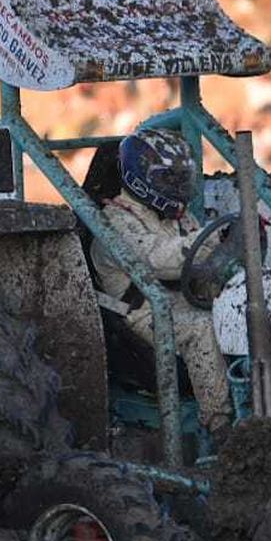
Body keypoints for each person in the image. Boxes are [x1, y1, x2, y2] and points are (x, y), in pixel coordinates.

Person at [90, 128, 232, 436]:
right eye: (169, 178)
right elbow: (160, 260)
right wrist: (218, 239)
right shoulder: (114, 221)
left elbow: (202, 251)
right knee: (202, 328)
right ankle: (220, 426)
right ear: (140, 177)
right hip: (140, 316)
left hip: (179, 303)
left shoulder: (178, 217)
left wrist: (232, 240)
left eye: (183, 177)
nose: (179, 186)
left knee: (241, 307)